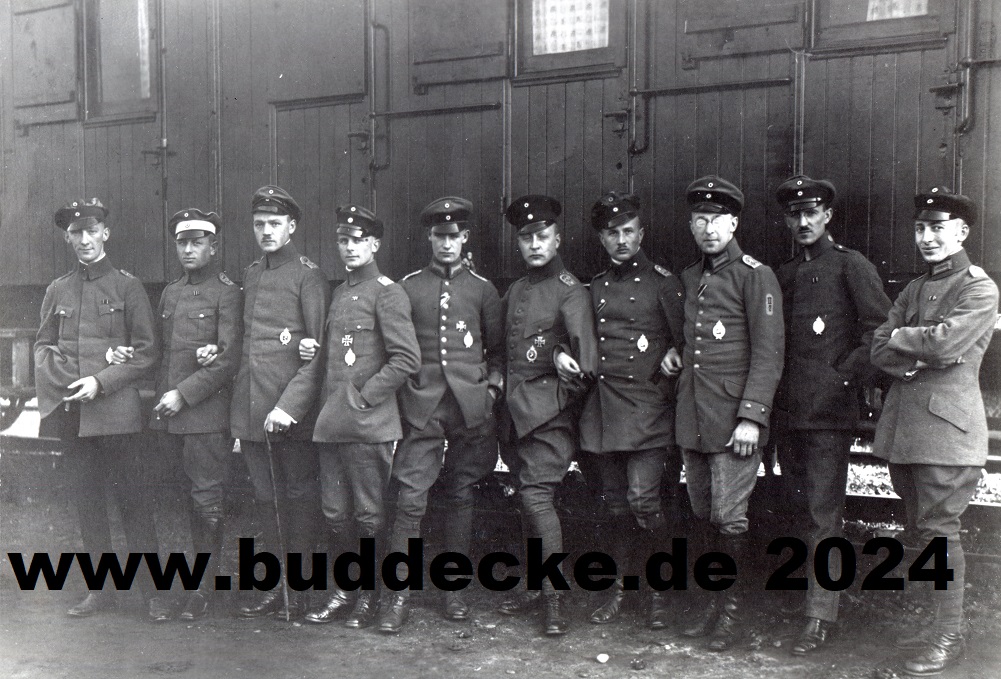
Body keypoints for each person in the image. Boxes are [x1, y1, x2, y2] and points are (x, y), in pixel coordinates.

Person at [871, 186, 998, 677]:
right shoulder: (913, 289)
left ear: (961, 232)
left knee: (940, 535)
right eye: (921, 228)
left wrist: (902, 338)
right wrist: (911, 351)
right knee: (923, 533)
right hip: (908, 432)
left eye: (938, 228)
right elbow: (877, 347)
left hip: (947, 434)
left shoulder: (978, 288)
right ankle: (935, 626)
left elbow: (946, 346)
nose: (927, 237)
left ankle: (948, 635)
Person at [772, 176, 891, 654]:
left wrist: (842, 378)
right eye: (794, 214)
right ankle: (800, 603)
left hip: (827, 415)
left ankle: (820, 617)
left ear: (827, 216)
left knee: (823, 516)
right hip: (789, 413)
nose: (803, 221)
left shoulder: (850, 265)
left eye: (811, 212)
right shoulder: (784, 274)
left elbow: (879, 330)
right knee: (795, 508)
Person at [34, 198, 168, 621]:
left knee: (134, 503)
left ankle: (153, 594)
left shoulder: (128, 287)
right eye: (77, 233)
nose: (85, 239)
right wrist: (73, 379)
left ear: (105, 234)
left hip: (117, 414)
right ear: (67, 238)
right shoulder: (57, 289)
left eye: (92, 231)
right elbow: (43, 347)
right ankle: (101, 591)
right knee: (88, 504)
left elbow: (148, 352)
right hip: (74, 415)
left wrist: (101, 380)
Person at [376, 197, 503, 633]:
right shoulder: (410, 287)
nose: (446, 244)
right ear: (429, 238)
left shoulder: (484, 290)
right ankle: (398, 595)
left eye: (454, 236)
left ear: (464, 237)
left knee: (461, 495)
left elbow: (498, 352)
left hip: (469, 408)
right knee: (410, 499)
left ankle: (454, 589)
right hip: (424, 406)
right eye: (438, 236)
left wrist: (491, 390)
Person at [675, 176, 784, 651]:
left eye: (717, 219)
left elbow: (768, 353)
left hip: (733, 421)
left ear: (734, 223)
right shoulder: (689, 277)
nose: (709, 228)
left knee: (730, 517)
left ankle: (731, 614)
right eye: (700, 219)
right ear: (691, 225)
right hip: (694, 418)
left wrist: (752, 417)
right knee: (703, 514)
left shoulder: (755, 276)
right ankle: (710, 605)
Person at [301, 204, 420, 629]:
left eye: (358, 240)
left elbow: (407, 358)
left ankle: (368, 597)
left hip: (367, 425)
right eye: (343, 240)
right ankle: (344, 591)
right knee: (335, 514)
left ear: (375, 244)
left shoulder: (387, 292)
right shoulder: (339, 294)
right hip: (332, 424)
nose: (349, 247)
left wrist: (364, 398)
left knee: (369, 516)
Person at [578, 191, 684, 629]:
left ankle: (660, 594)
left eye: (628, 231)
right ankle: (619, 592)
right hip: (606, 411)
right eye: (612, 233)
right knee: (616, 506)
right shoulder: (596, 287)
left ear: (641, 233)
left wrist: (675, 356)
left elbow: (688, 341)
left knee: (645, 501)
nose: (621, 240)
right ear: (601, 239)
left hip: (648, 411)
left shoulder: (664, 283)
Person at [496, 194, 598, 636]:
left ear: (558, 238)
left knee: (536, 499)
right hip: (513, 418)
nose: (535, 244)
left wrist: (550, 396)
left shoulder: (571, 290)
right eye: (526, 238)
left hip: (548, 422)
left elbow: (586, 369)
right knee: (527, 499)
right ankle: (535, 586)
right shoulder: (517, 290)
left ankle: (553, 598)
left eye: (542, 236)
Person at [231, 186, 329, 619]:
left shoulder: (308, 276)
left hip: (290, 412)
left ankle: (301, 588)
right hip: (254, 409)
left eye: (275, 224)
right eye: (259, 224)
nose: (266, 231)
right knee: (266, 499)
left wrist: (289, 408)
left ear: (292, 226)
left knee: (299, 498)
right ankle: (276, 587)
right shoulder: (252, 274)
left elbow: (318, 353)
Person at [147, 208, 243, 620]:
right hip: (169, 417)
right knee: (176, 499)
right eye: (182, 242)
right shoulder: (170, 293)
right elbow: (162, 353)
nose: (188, 249)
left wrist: (183, 396)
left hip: (205, 417)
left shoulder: (227, 293)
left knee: (207, 502)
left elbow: (228, 360)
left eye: (197, 242)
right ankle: (184, 584)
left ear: (213, 247)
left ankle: (205, 588)